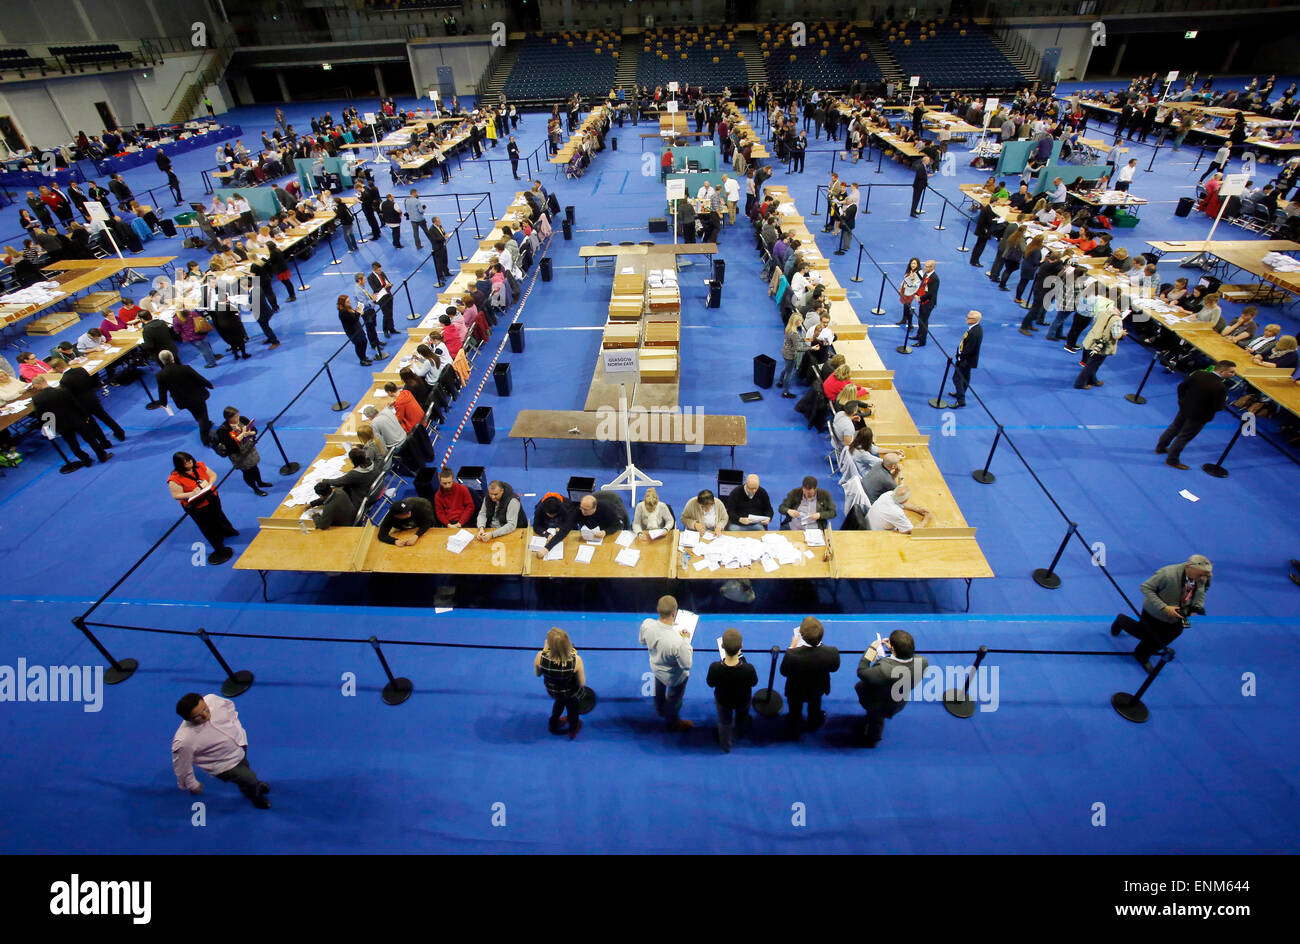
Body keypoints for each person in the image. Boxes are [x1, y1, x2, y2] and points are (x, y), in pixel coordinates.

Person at [1111, 555, 1212, 671]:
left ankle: (1142, 654)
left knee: (1175, 631)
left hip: (1180, 613)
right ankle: (1122, 620)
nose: (1203, 578)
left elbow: (1203, 590)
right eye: (1200, 575)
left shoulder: (1204, 576)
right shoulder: (1167, 574)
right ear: (1188, 567)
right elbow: (1146, 588)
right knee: (1145, 633)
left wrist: (1197, 606)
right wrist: (1164, 607)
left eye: (1205, 575)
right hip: (1155, 611)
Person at [172, 692, 270, 809]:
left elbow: (229, 707)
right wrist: (192, 785)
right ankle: (255, 796)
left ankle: (249, 789)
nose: (205, 716)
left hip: (239, 746)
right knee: (250, 777)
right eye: (198, 716)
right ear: (187, 719)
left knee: (246, 771)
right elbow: (182, 767)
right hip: (224, 766)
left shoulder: (212, 700)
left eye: (205, 709)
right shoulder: (185, 740)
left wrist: (236, 728)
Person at [1155, 360, 1236, 469]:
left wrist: (1182, 401)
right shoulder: (1220, 387)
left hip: (1185, 408)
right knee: (1184, 437)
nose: (1233, 375)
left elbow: (1181, 387)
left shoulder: (1199, 374)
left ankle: (1160, 448)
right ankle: (1172, 460)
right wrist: (1223, 401)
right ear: (1222, 372)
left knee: (1174, 428)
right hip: (1199, 416)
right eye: (1231, 372)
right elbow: (1218, 407)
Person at [855, 629, 928, 747]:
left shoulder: (884, 669)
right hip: (900, 700)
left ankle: (872, 739)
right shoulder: (923, 662)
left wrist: (872, 650)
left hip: (880, 703)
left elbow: (862, 671)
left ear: (892, 648)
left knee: (875, 718)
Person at [27, 374, 113, 468]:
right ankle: (102, 455)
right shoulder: (62, 391)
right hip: (75, 419)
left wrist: (50, 427)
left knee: (72, 444)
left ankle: (85, 460)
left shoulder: (37, 399)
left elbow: (41, 415)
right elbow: (76, 405)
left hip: (60, 424)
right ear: (45, 381)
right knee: (90, 439)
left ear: (36, 386)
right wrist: (85, 416)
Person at [168, 451, 238, 564]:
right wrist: (191, 493)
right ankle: (219, 547)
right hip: (197, 506)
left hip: (211, 497)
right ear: (179, 465)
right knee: (208, 527)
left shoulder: (200, 465)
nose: (189, 463)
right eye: (185, 463)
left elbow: (213, 475)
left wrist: (208, 484)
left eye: (189, 460)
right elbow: (176, 495)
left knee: (219, 516)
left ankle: (228, 531)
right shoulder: (175, 478)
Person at [638, 594, 693, 732]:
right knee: (675, 700)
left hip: (656, 668)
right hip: (675, 677)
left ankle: (659, 708)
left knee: (659, 690)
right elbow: (686, 664)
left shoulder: (647, 625)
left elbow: (642, 641)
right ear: (674, 613)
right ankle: (672, 722)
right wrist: (686, 639)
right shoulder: (678, 641)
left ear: (658, 610)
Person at [780, 616, 840, 735]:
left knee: (795, 708)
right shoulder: (832, 652)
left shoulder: (792, 654)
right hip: (817, 688)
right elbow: (834, 668)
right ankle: (814, 720)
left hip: (795, 690)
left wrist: (791, 648)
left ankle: (795, 720)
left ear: (801, 636)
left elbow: (784, 672)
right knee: (815, 704)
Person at [48, 358, 126, 442]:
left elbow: (69, 396)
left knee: (92, 424)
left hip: (82, 405)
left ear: (57, 368)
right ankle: (119, 432)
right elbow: (91, 382)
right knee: (105, 416)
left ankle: (104, 442)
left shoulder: (64, 380)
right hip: (92, 397)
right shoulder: (81, 369)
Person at [706, 628, 757, 753]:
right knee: (742, 717)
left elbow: (710, 683)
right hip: (743, 700)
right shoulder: (748, 668)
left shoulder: (715, 667)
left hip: (723, 701)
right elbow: (754, 682)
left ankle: (725, 745)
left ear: (722, 646)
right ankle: (740, 732)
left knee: (724, 722)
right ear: (741, 646)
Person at [535, 628, 586, 739]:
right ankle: (573, 729)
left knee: (559, 702)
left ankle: (553, 724)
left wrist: (544, 652)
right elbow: (582, 683)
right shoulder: (576, 660)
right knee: (573, 710)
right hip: (571, 692)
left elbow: (538, 674)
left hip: (553, 690)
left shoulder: (540, 657)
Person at [155, 350, 215, 443]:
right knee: (203, 415)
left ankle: (206, 424)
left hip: (182, 400)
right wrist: (209, 385)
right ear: (172, 358)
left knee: (195, 413)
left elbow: (162, 391)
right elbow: (199, 378)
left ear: (162, 361)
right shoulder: (185, 368)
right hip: (197, 395)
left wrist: (163, 403)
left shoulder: (160, 375)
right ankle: (205, 438)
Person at [212, 407, 272, 496]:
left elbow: (254, 430)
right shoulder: (223, 430)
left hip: (250, 449)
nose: (238, 418)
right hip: (238, 454)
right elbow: (231, 444)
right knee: (247, 472)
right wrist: (242, 434)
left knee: (254, 467)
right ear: (228, 418)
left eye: (238, 415)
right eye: (235, 416)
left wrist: (250, 433)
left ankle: (260, 482)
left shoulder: (242, 419)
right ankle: (255, 488)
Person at [1075, 297, 1125, 390]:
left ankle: (1092, 380)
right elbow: (1116, 335)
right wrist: (1122, 333)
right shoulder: (1117, 319)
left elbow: (1094, 323)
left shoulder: (1103, 311)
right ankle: (1080, 383)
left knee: (1092, 364)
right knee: (1092, 365)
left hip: (1092, 339)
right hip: (1101, 346)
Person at [950, 310, 983, 408]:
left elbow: (968, 349)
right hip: (970, 360)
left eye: (969, 318)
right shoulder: (976, 328)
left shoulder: (974, 333)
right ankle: (961, 393)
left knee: (956, 378)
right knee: (965, 378)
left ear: (975, 320)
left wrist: (960, 357)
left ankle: (961, 400)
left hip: (965, 360)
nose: (966, 319)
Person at [337, 295, 372, 366]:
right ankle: (362, 360)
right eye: (347, 302)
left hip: (357, 327)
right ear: (342, 303)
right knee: (359, 345)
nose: (349, 303)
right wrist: (359, 312)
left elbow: (354, 315)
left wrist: (357, 311)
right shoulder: (342, 312)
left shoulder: (348, 307)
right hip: (352, 331)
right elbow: (353, 319)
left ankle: (364, 356)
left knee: (364, 341)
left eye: (349, 301)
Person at [915, 260, 939, 347]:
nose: (925, 268)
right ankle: (918, 335)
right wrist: (917, 294)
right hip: (923, 301)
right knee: (920, 319)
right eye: (925, 266)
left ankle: (922, 341)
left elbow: (931, 293)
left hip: (928, 303)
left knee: (924, 322)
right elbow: (923, 286)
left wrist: (920, 298)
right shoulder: (926, 274)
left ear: (932, 267)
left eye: (927, 266)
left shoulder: (935, 278)